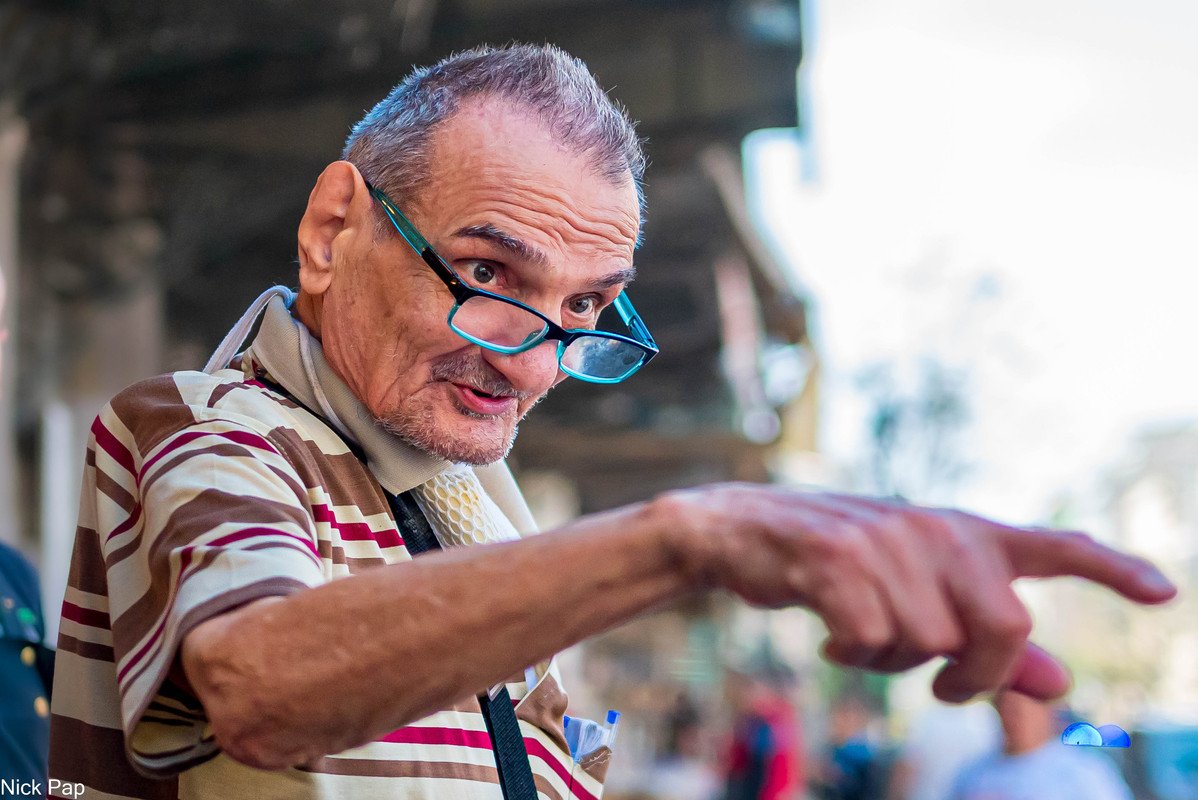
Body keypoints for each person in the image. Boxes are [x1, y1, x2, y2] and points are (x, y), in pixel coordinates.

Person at [45, 43, 1176, 800]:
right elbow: (259, 681)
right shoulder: (208, 430)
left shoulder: (466, 508)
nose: (531, 362)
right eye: (487, 271)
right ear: (335, 228)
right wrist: (682, 538)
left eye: (583, 307)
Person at [949, 690, 1132, 800]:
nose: (1012, 719)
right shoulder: (974, 772)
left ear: (1048, 711)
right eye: (1006, 709)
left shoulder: (1084, 772)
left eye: (1021, 710)